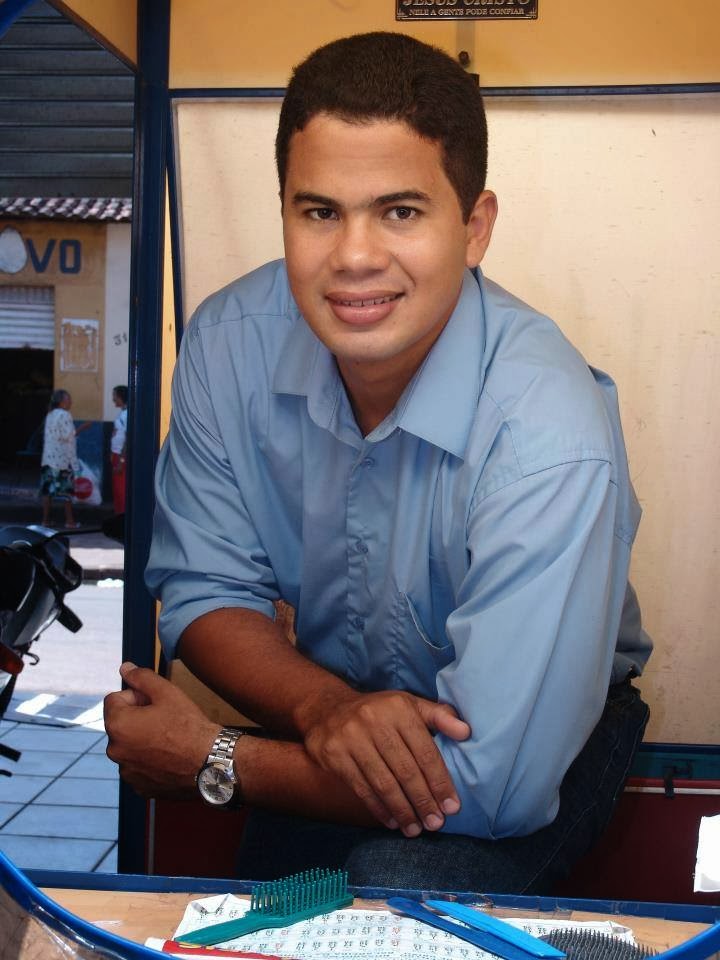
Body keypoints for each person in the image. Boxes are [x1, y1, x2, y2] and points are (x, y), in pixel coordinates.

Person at [104, 32, 652, 892]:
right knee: (266, 915)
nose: (355, 257)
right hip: (330, 702)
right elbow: (205, 589)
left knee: (391, 880)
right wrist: (326, 707)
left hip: (533, 740)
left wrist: (218, 759)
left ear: (474, 228)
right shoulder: (227, 341)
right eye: (319, 212)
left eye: (400, 212)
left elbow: (495, 785)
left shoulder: (550, 434)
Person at [39, 389, 84, 528]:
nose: (71, 402)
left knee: (47, 492)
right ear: (62, 401)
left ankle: (45, 521)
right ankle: (70, 521)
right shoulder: (65, 415)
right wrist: (83, 428)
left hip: (48, 459)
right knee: (66, 492)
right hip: (62, 460)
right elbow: (68, 437)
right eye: (69, 399)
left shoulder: (50, 414)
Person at [110, 385, 128, 514]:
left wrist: (121, 461)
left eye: (115, 396)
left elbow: (128, 438)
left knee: (121, 490)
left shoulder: (127, 414)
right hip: (117, 455)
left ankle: (122, 517)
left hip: (122, 457)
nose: (113, 399)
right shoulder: (123, 413)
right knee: (117, 490)